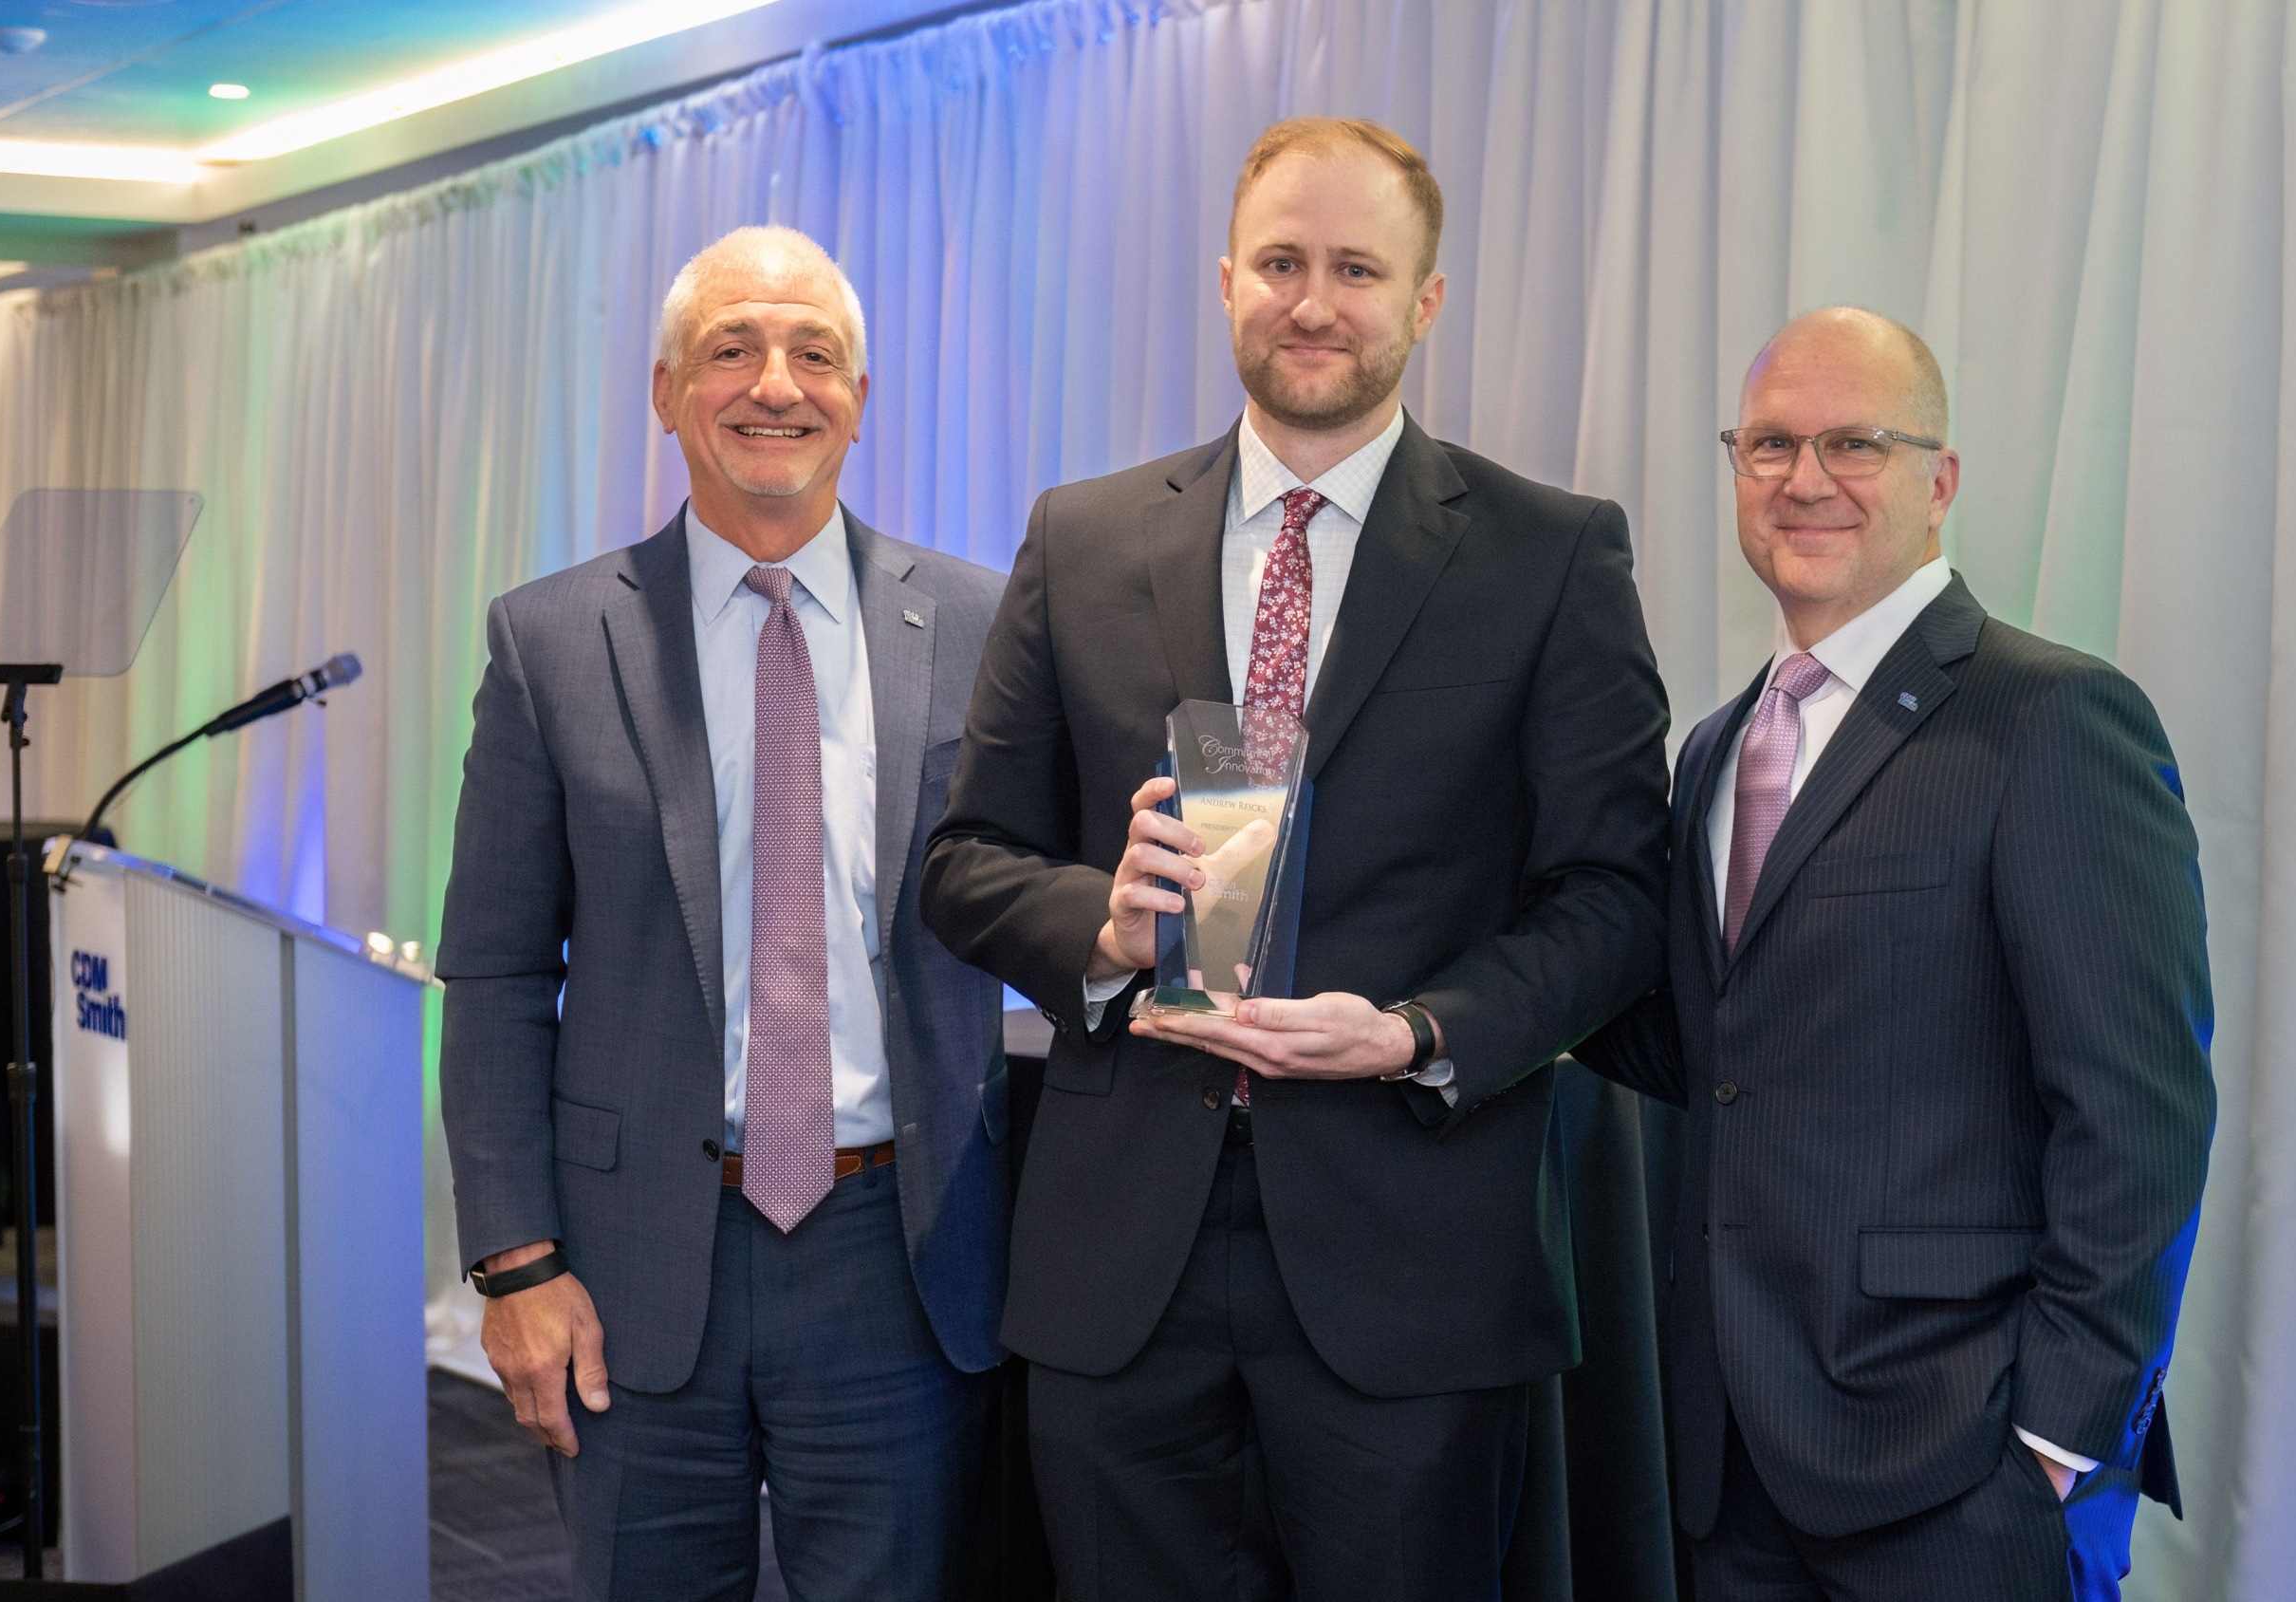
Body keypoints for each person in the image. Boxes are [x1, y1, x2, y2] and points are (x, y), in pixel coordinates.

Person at [919, 119, 1670, 1600]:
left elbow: (1616, 897)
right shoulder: (1081, 539)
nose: (1313, 301)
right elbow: (965, 860)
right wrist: (1111, 929)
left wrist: (1417, 1030)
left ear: (1426, 301)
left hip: (1415, 1259)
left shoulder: (1549, 553)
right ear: (1224, 283)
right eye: (1279, 263)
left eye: (1354, 268)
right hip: (1118, 1259)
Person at [1578, 307, 2214, 1602]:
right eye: (1767, 445)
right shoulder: (1715, 748)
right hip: (1735, 1459)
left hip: (1963, 1470)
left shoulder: (2053, 718)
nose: (1804, 479)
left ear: (1942, 480)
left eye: (1853, 442)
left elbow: (2137, 1113)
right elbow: (1710, 1048)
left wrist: (2058, 1435)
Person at [435, 225, 1009, 1602]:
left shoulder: (987, 628)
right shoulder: (552, 640)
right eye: (732, 350)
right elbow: (499, 973)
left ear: (861, 400)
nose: (777, 384)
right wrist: (515, 1265)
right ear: (665, 389)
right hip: (630, 1274)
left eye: (818, 354)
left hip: (902, 1261)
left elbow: (1038, 895)